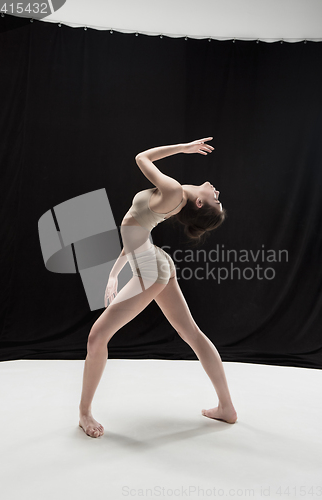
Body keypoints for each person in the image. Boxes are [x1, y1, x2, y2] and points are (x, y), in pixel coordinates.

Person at [79, 137, 238, 438]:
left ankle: (84, 414)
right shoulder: (174, 199)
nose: (218, 192)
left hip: (152, 269)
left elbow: (141, 158)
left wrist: (183, 148)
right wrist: (115, 273)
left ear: (200, 202)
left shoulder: (175, 191)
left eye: (217, 200)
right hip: (155, 263)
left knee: (97, 336)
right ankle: (226, 407)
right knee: (191, 333)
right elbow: (134, 235)